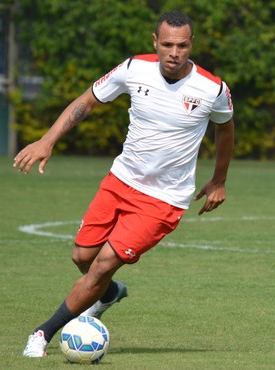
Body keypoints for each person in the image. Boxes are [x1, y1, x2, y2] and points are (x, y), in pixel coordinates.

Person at [14, 10, 234, 357]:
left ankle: (42, 333)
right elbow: (86, 102)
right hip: (120, 181)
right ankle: (108, 293)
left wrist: (219, 180)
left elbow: (225, 128)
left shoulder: (212, 89)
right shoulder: (134, 68)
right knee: (83, 257)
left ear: (192, 44)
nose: (174, 53)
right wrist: (47, 140)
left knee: (102, 264)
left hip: (164, 200)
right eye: (167, 45)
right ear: (155, 42)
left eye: (182, 45)